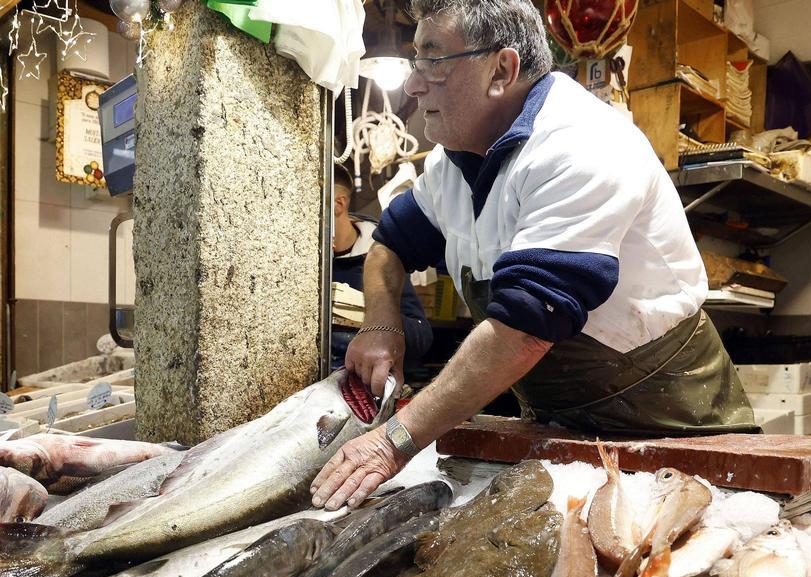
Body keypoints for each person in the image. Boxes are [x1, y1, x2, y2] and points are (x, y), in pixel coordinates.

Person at [312, 0, 755, 512]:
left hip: (673, 425)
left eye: (433, 62)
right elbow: (389, 245)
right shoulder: (453, 163)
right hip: (555, 426)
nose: (413, 85)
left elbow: (525, 329)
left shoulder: (582, 145)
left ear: (501, 70)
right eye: (416, 62)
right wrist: (381, 323)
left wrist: (394, 442)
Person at [331, 164, 433, 369]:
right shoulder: (305, 266)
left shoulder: (384, 257)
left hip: (359, 382)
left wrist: (367, 313)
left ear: (338, 204)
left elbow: (421, 336)